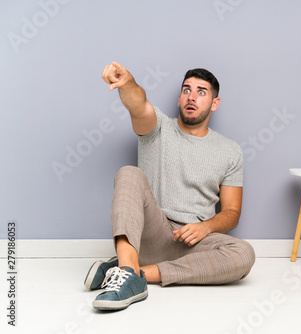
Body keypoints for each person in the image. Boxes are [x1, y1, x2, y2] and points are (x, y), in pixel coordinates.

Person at [84, 62, 255, 311]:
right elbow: (137, 105)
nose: (192, 97)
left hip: (194, 245)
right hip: (154, 234)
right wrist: (127, 82)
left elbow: (232, 212)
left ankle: (130, 272)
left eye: (201, 92)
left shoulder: (230, 151)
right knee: (129, 173)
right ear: (179, 98)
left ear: (214, 103)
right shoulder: (158, 128)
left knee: (244, 254)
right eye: (186, 90)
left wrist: (205, 227)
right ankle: (128, 270)